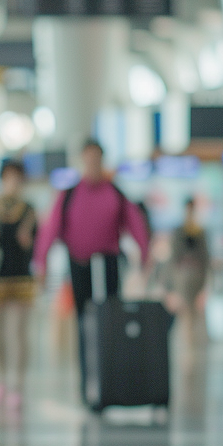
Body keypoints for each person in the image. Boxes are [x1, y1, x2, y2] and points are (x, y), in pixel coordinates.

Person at [33, 139, 150, 398]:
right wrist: (41, 263)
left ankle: (110, 376)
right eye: (88, 159)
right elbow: (50, 229)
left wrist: (144, 256)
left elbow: (135, 224)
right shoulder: (70, 195)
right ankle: (87, 380)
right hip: (79, 264)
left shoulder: (115, 193)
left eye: (97, 159)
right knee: (84, 322)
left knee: (110, 319)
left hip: (108, 263)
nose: (92, 165)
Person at [0, 159, 38, 410]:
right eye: (9, 177)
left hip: (21, 277)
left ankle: (17, 385)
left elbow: (37, 242)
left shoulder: (29, 210)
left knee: (18, 334)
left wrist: (30, 242)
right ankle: (1, 379)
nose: (13, 182)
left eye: (17, 178)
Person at [168, 197, 210, 359]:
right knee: (185, 309)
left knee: (194, 310)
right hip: (183, 275)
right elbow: (174, 257)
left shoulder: (200, 231)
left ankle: (193, 340)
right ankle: (187, 341)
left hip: (196, 276)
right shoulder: (180, 231)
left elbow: (205, 257)